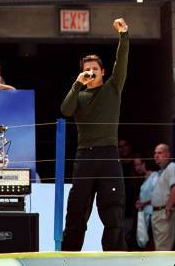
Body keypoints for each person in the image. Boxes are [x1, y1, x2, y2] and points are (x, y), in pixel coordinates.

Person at [60, 18, 129, 251]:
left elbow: (122, 62)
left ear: (103, 72)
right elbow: (65, 110)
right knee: (77, 209)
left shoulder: (113, 87)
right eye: (86, 69)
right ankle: (69, 255)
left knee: (113, 210)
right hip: (85, 157)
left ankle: (114, 257)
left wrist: (124, 35)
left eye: (95, 69)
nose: (91, 72)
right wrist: (76, 85)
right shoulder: (78, 95)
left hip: (109, 155)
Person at [150, 143, 175, 251]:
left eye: (160, 153)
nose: (156, 156)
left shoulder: (172, 167)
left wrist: (168, 207)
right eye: (155, 153)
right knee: (160, 247)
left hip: (165, 213)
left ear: (167, 155)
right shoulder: (160, 172)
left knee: (163, 249)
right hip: (158, 214)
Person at [134, 155, 158, 249]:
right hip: (144, 215)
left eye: (138, 164)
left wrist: (144, 203)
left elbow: (157, 195)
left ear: (144, 164)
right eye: (135, 165)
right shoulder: (141, 179)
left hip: (153, 213)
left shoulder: (154, 176)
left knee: (153, 241)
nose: (137, 167)